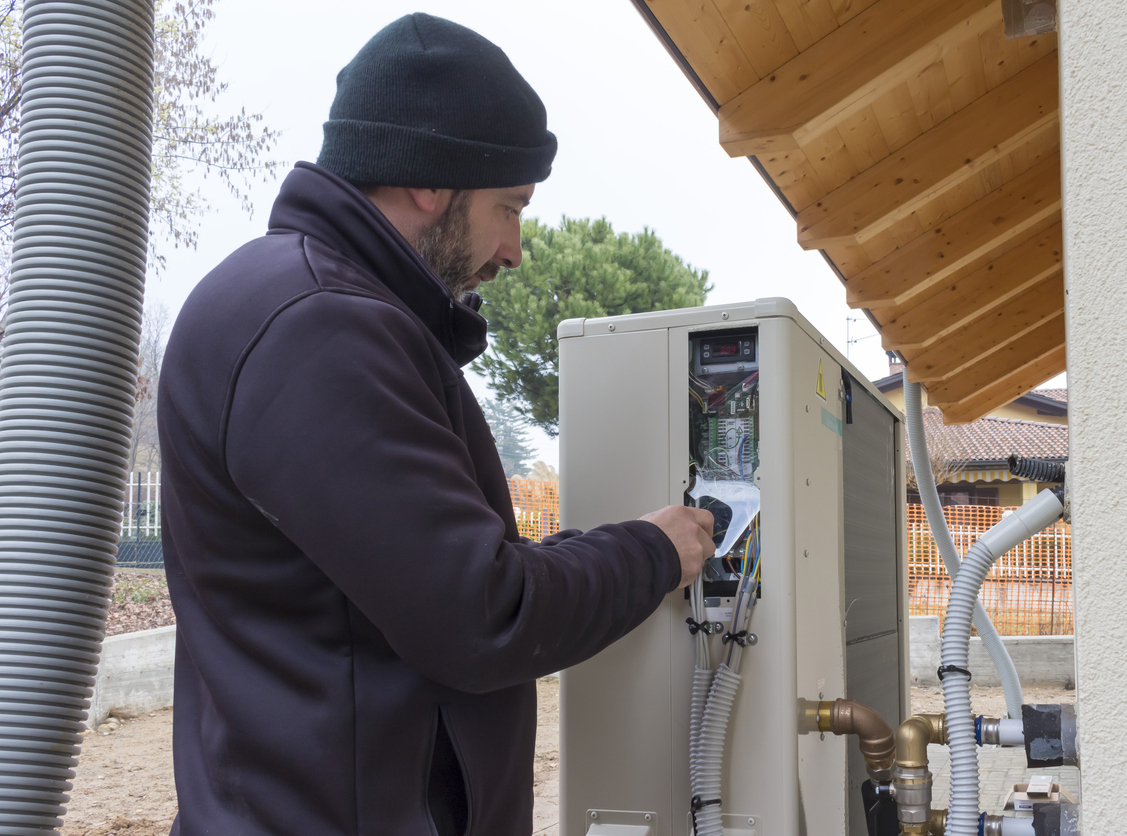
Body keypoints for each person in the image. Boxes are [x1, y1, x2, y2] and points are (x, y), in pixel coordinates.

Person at [157, 13, 715, 836]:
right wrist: (653, 553)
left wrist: (611, 544)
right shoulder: (319, 329)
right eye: (509, 207)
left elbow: (428, 579)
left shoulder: (312, 307)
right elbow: (483, 614)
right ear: (430, 181)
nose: (515, 249)